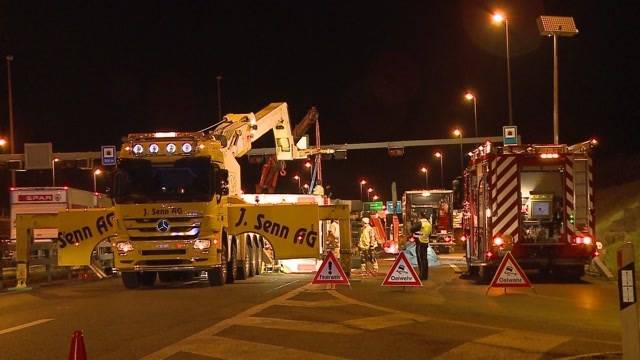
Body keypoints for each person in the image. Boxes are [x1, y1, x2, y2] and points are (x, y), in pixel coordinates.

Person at [416, 212, 432, 280]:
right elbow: (430, 234)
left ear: (420, 216)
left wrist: (417, 234)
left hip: (420, 242)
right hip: (425, 242)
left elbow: (412, 229)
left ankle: (422, 275)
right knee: (425, 259)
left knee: (421, 259)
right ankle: (425, 275)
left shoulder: (420, 223)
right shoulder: (429, 224)